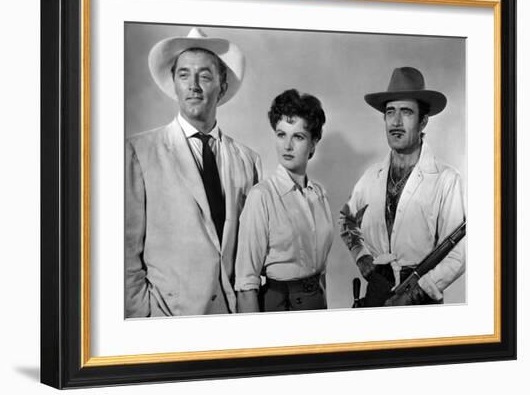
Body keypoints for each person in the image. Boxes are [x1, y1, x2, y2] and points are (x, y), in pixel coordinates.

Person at [125, 27, 262, 317]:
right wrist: (143, 316)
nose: (194, 85)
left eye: (205, 75)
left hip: (231, 320)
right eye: (184, 75)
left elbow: (250, 252)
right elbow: (125, 255)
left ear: (221, 87)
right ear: (174, 83)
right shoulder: (140, 152)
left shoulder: (247, 161)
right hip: (166, 319)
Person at [339, 66, 466, 306]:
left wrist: (414, 292)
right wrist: (362, 256)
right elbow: (347, 221)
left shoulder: (447, 179)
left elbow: (459, 255)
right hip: (376, 291)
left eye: (406, 112)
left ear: (423, 121)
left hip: (421, 298)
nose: (396, 122)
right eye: (390, 112)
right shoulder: (370, 177)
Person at [235, 89, 333, 312]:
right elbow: (246, 284)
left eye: (298, 136)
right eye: (281, 134)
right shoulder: (261, 197)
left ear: (314, 143)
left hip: (316, 307)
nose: (287, 146)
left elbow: (321, 271)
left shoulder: (319, 195)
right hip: (279, 308)